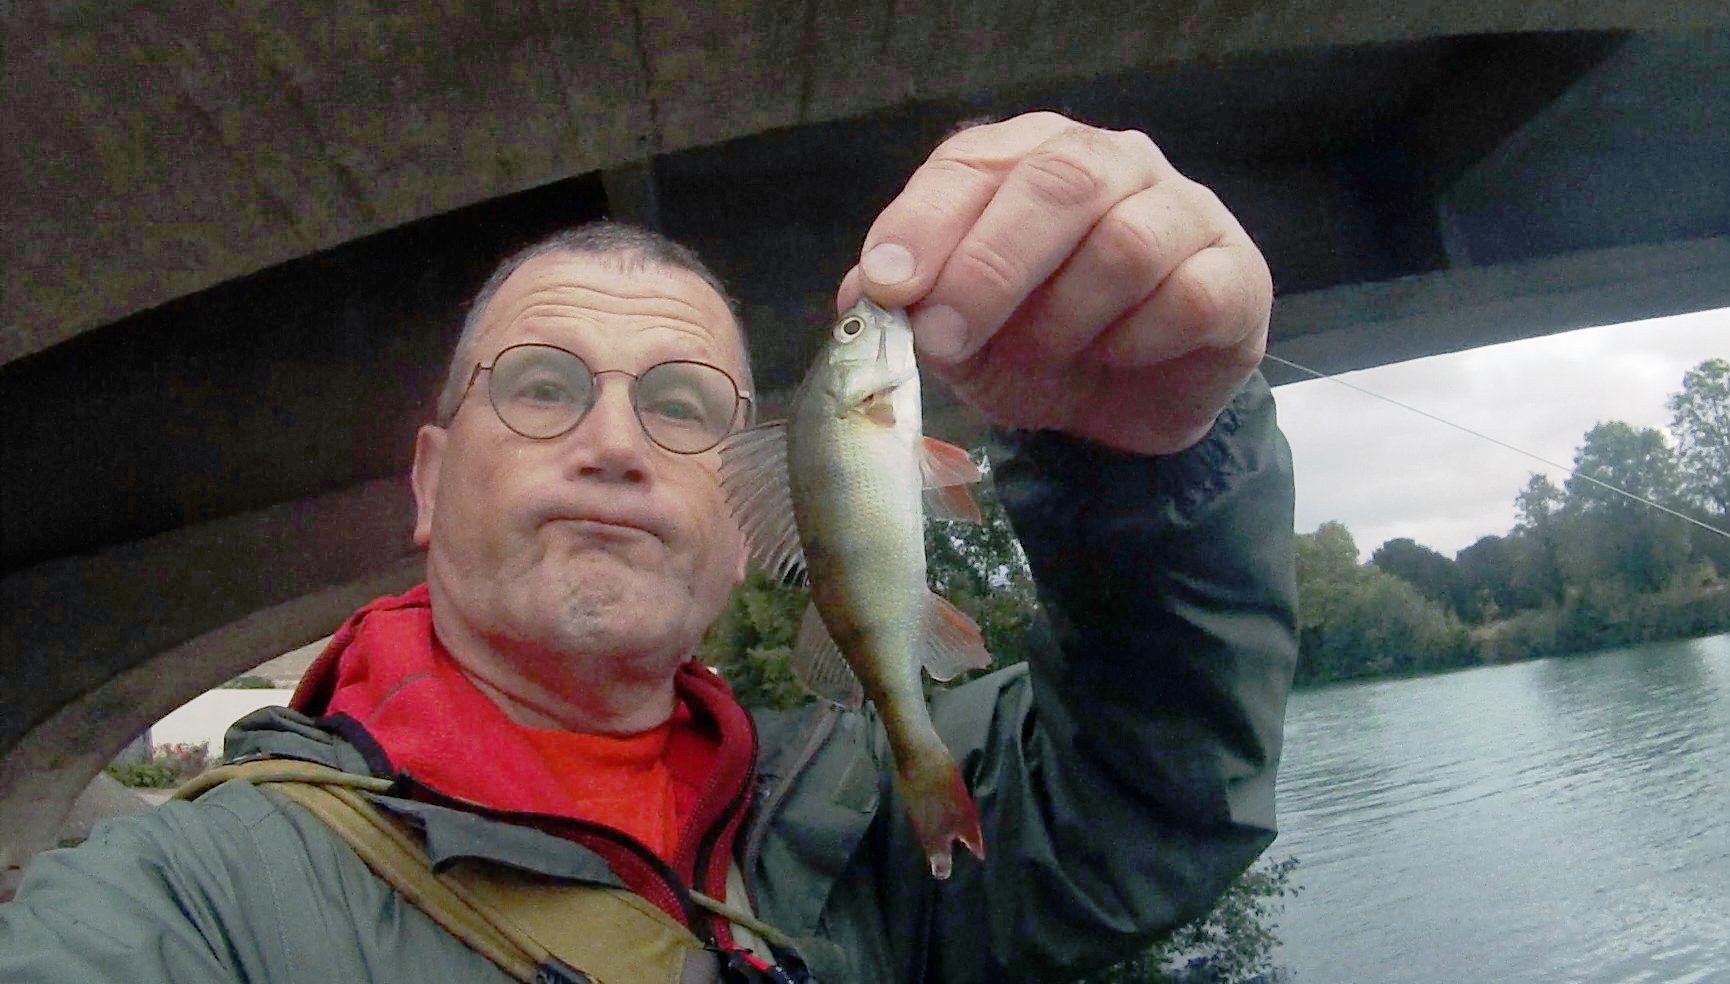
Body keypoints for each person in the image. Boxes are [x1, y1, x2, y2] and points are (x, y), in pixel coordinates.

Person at [0, 112, 1298, 982]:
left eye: (680, 406)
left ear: (749, 529)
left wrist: (1153, 462)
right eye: (543, 386)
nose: (614, 443)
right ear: (430, 482)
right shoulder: (189, 905)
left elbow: (1154, 799)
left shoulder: (854, 827)